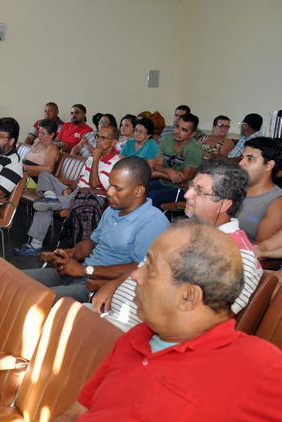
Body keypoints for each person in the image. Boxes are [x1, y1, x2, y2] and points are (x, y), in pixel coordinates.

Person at [0, 222, 282, 422]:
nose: (134, 275)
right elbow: (73, 416)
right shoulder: (136, 339)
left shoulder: (255, 368)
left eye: (150, 268)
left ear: (189, 296)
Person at [93, 160, 262, 331]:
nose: (187, 195)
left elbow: (199, 325)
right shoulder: (184, 232)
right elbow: (143, 267)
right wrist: (114, 285)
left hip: (135, 335)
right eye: (191, 186)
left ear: (224, 204)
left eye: (199, 191)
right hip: (110, 315)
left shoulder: (238, 258)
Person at [23, 157, 169, 302]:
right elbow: (92, 242)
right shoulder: (113, 209)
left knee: (35, 299)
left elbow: (139, 270)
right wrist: (71, 254)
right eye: (110, 185)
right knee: (15, 280)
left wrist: (86, 270)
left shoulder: (153, 223)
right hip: (82, 271)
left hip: (99, 286)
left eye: (117, 188)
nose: (109, 192)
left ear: (138, 191)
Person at [14, 124, 120, 257]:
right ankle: (51, 198)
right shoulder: (94, 156)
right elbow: (81, 178)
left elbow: (94, 184)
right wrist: (70, 188)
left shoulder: (115, 163)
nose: (99, 140)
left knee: (45, 206)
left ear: (114, 142)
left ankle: (35, 245)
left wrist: (96, 159)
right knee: (45, 175)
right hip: (76, 191)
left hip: (90, 198)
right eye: (98, 136)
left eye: (104, 138)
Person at [148, 112, 203, 208]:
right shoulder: (167, 140)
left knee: (152, 197)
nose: (177, 131)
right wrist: (169, 170)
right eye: (177, 126)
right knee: (138, 189)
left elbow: (183, 179)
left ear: (192, 134)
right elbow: (157, 165)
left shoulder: (194, 149)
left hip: (182, 190)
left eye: (184, 130)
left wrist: (157, 174)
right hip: (163, 183)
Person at [237, 137, 282, 242]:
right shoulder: (233, 188)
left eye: (250, 158)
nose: (241, 163)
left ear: (269, 165)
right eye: (242, 157)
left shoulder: (277, 202)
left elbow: (259, 249)